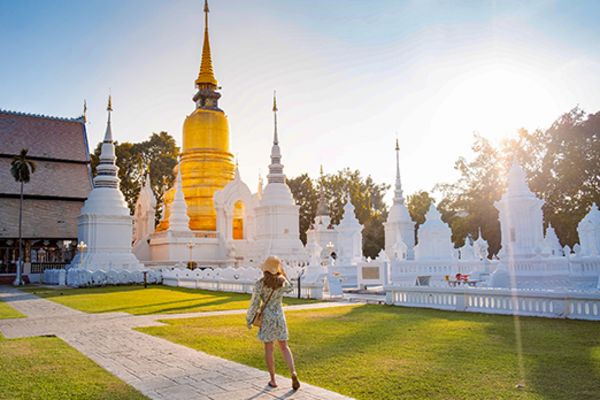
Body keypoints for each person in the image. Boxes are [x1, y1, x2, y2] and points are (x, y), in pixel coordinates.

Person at [246, 255, 300, 391]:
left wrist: (250, 319)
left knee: (269, 349)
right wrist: (283, 272)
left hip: (267, 317)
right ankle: (293, 372)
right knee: (284, 347)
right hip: (279, 316)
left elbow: (254, 303)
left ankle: (273, 380)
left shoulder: (260, 284)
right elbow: (291, 287)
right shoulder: (282, 282)